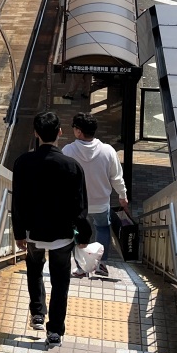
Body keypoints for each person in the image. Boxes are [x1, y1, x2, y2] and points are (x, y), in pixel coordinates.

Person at [11, 111, 90, 346]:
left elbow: (18, 202)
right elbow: (80, 206)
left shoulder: (23, 163)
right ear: (60, 132)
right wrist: (83, 236)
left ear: (36, 133)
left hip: (34, 233)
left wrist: (19, 232)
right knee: (60, 281)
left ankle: (37, 312)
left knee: (34, 269)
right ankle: (54, 330)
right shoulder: (72, 166)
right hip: (62, 236)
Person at [63, 113, 129, 278]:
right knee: (102, 229)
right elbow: (116, 177)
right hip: (100, 202)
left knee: (77, 233)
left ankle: (81, 268)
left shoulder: (68, 151)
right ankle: (101, 264)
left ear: (78, 131)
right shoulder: (108, 151)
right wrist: (122, 195)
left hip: (76, 204)